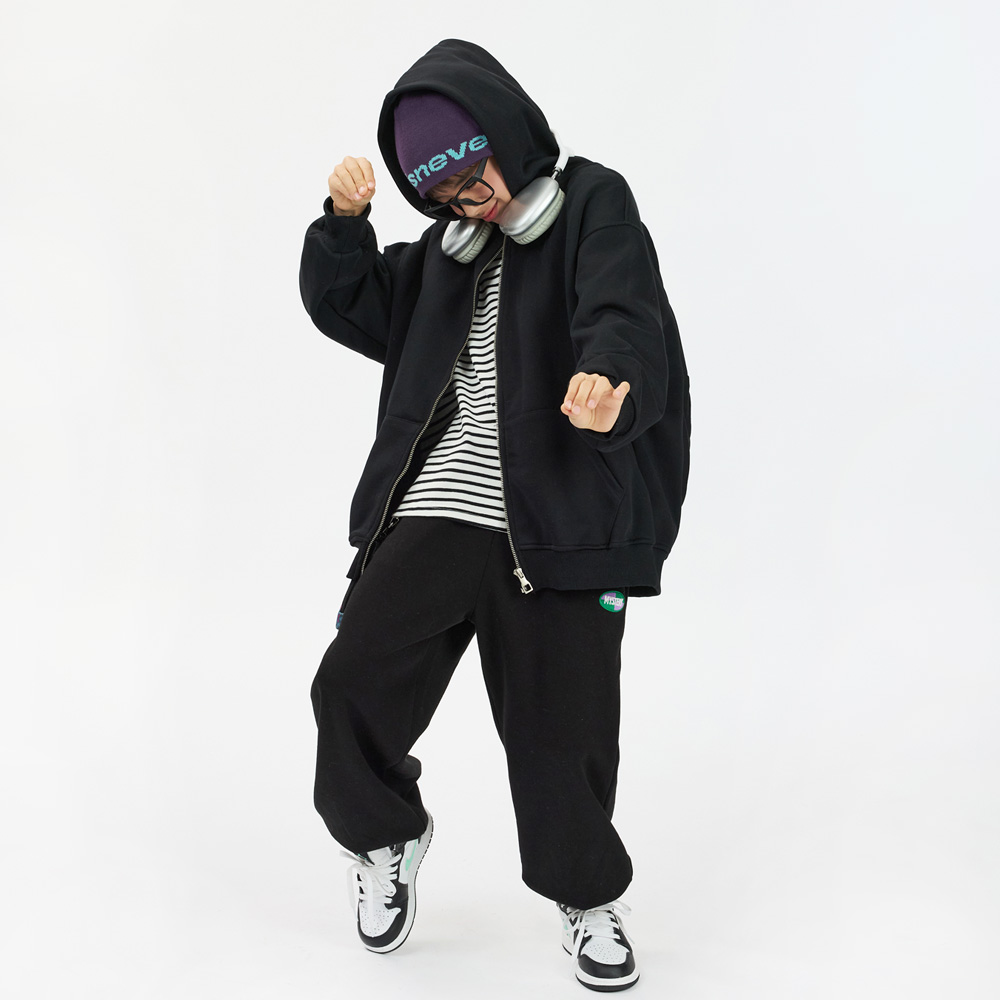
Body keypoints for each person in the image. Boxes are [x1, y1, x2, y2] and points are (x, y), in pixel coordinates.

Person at [298, 37, 690, 993]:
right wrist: (344, 227)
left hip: (559, 518)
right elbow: (353, 308)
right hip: (435, 510)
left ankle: (587, 898)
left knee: (564, 737)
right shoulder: (442, 255)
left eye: (473, 177)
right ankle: (385, 837)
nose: (464, 202)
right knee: (348, 686)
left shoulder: (592, 203)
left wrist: (608, 383)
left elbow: (623, 309)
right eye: (440, 191)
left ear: (507, 139)